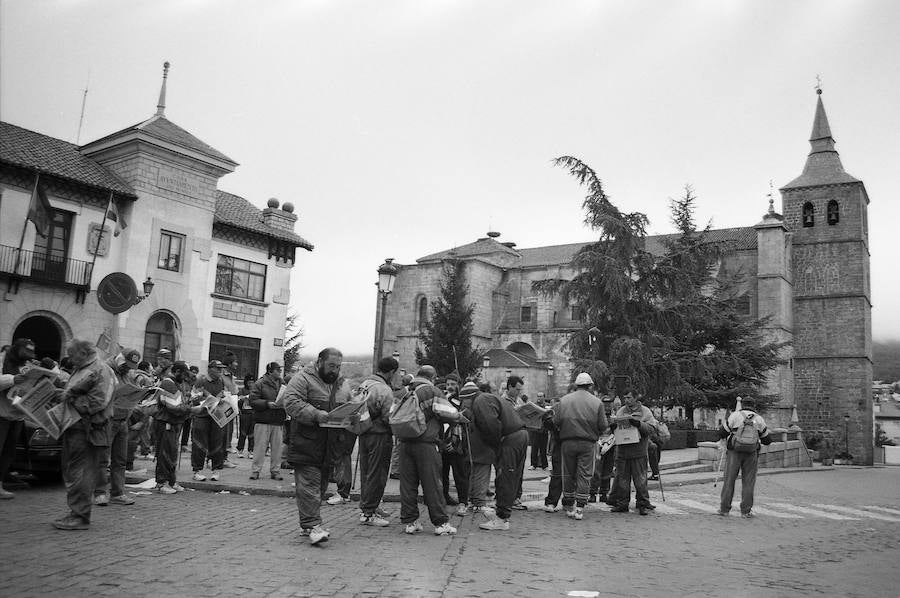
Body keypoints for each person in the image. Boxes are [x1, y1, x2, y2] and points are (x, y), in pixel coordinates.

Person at [281, 347, 353, 545]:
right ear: (320, 361)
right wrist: (316, 414)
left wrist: (354, 415)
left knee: (320, 487)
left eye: (338, 366)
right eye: (331, 365)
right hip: (307, 443)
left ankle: (307, 523)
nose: (334, 370)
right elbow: (291, 402)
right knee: (309, 486)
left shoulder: (342, 384)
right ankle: (313, 526)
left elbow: (350, 404)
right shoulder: (302, 379)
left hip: (330, 446)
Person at [52, 339, 115, 530]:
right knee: (74, 471)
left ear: (84, 353)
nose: (70, 359)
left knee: (81, 473)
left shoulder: (100, 370)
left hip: (88, 429)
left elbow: (98, 402)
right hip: (76, 427)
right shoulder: (83, 368)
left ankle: (80, 515)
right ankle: (76, 512)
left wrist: (69, 398)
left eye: (72, 354)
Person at [397, 365, 464, 536]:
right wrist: (458, 416)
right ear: (433, 377)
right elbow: (448, 412)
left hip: (404, 443)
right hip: (426, 443)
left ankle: (410, 522)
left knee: (408, 484)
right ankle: (440, 523)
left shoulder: (403, 391)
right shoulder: (431, 391)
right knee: (433, 484)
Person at [469, 378, 528, 531]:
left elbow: (490, 423)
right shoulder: (488, 398)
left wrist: (495, 443)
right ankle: (503, 513)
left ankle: (502, 518)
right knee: (511, 476)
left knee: (505, 477)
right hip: (519, 435)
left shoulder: (480, 401)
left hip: (510, 438)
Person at [553, 373, 609, 520]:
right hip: (587, 443)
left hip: (567, 442)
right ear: (590, 385)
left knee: (568, 473)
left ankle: (569, 505)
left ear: (576, 385)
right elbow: (603, 426)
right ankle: (580, 508)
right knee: (584, 474)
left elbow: (556, 421)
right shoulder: (597, 403)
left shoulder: (564, 401)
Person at [94, 348, 142, 507]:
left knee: (120, 460)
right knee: (102, 459)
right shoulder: (106, 369)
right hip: (108, 419)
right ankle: (100, 493)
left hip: (123, 420)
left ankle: (118, 492)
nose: (128, 368)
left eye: (131, 366)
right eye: (126, 365)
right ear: (120, 359)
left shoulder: (127, 373)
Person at [356, 356, 398, 527]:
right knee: (377, 473)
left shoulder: (364, 384)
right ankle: (369, 512)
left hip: (363, 432)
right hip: (379, 434)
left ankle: (369, 505)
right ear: (392, 371)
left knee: (366, 472)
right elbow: (388, 416)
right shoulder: (384, 389)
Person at [717, 399, 772, 518]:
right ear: (754, 406)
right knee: (748, 482)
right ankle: (746, 511)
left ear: (742, 405)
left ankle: (724, 509)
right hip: (751, 453)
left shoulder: (735, 416)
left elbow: (722, 432)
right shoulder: (759, 419)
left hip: (734, 452)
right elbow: (767, 440)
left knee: (729, 480)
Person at [0, 338, 37, 499]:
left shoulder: (27, 363)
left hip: (17, 415)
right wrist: (12, 379)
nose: (28, 355)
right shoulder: (2, 359)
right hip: (1, 414)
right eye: (26, 351)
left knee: (8, 453)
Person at [610, 391, 657, 516]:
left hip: (638, 452)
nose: (626, 400)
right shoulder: (621, 411)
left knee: (640, 481)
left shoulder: (645, 411)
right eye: (625, 397)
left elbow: (652, 429)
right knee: (622, 480)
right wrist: (613, 426)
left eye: (629, 397)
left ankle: (642, 503)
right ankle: (622, 503)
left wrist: (639, 424)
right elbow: (613, 429)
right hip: (623, 452)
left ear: (636, 398)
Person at [154, 361, 196, 494]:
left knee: (172, 453)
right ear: (177, 371)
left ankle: (171, 481)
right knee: (165, 453)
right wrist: (191, 408)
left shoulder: (176, 383)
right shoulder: (168, 383)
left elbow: (181, 403)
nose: (184, 377)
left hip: (174, 423)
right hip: (166, 422)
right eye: (183, 374)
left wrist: (190, 403)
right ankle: (162, 482)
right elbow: (174, 407)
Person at [190, 360, 228, 482]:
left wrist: (222, 398)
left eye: (221, 369)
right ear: (210, 369)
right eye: (218, 369)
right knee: (199, 443)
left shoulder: (221, 381)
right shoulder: (201, 380)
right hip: (202, 415)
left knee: (217, 443)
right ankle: (197, 470)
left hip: (216, 416)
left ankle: (216, 470)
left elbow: (224, 393)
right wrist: (205, 397)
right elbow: (194, 397)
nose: (220, 371)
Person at [249, 362, 285, 481]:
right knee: (260, 447)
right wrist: (267, 404)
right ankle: (256, 470)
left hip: (278, 420)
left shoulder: (282, 384)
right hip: (263, 420)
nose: (280, 372)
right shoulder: (259, 383)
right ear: (270, 371)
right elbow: (252, 400)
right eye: (277, 370)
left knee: (277, 448)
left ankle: (275, 470)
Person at [440, 372, 469, 513]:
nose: (450, 387)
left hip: (457, 441)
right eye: (448, 384)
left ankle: (463, 501)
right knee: (442, 472)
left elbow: (460, 421)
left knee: (460, 473)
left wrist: (455, 442)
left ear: (458, 385)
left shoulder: (461, 400)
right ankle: (444, 496)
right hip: (442, 440)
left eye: (453, 384)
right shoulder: (442, 397)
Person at [528, 392, 549, 470]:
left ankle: (544, 465)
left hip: (544, 430)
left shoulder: (547, 406)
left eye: (541, 396)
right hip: (535, 430)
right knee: (534, 448)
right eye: (538, 396)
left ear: (544, 397)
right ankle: (533, 464)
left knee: (543, 449)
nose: (539, 398)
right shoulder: (534, 405)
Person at [237, 374, 256, 459]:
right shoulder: (243, 390)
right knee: (243, 433)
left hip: (253, 413)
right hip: (244, 414)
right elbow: (238, 399)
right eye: (249, 382)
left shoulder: (256, 390)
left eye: (252, 382)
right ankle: (240, 449)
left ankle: (251, 450)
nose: (251, 384)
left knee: (252, 434)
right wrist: (244, 398)